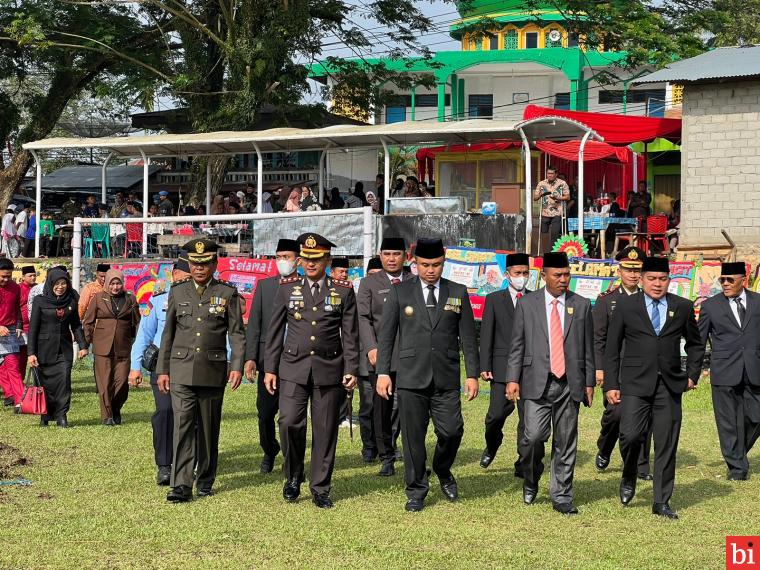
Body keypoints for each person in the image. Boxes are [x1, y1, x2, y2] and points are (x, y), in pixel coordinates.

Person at [376, 238, 479, 512]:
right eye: (424, 265)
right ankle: (416, 490)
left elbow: (468, 336)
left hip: (446, 377)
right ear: (415, 263)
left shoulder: (456, 291)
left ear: (443, 263)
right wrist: (383, 373)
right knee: (412, 438)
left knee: (452, 431)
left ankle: (443, 469)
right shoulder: (400, 292)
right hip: (411, 377)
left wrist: (472, 374)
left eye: (435, 265)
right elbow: (386, 337)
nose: (430, 270)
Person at [604, 256, 704, 520]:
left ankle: (661, 501)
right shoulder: (625, 305)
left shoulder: (681, 307)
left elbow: (695, 343)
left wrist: (692, 374)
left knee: (666, 443)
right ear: (642, 279)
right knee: (630, 435)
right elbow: (612, 348)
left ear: (668, 280)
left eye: (662, 279)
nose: (657, 284)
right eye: (651, 279)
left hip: (669, 385)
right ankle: (629, 474)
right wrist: (611, 384)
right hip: (635, 383)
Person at [264, 233, 359, 509]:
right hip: (293, 367)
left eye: (317, 258)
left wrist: (351, 367)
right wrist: (270, 368)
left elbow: (350, 335)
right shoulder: (287, 288)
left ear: (327, 260)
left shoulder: (342, 290)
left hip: (329, 367)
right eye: (306, 258)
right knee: (289, 422)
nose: (311, 263)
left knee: (326, 429)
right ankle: (293, 475)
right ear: (300, 260)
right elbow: (274, 332)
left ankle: (320, 487)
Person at [506, 252, 594, 516]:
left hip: (570, 383)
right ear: (543, 276)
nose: (563, 280)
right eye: (557, 275)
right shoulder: (528, 304)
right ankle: (531, 479)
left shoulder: (581, 304)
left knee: (566, 441)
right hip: (535, 381)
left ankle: (562, 495)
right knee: (533, 437)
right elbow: (517, 345)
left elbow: (588, 347)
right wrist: (512, 378)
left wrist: (589, 381)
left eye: (567, 274)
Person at [157, 238, 245, 502]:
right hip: (181, 369)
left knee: (208, 428)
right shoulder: (177, 291)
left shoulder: (227, 293)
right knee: (182, 424)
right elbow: (168, 334)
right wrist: (163, 369)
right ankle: (181, 484)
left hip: (212, 369)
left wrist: (237, 365)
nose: (199, 268)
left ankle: (205, 478)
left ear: (214, 264)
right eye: (195, 263)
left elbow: (237, 334)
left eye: (205, 263)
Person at [129, 255, 192, 485]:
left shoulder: (198, 300)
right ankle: (165, 465)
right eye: (184, 277)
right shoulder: (158, 301)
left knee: (187, 415)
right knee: (165, 413)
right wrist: (135, 367)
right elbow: (143, 336)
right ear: (174, 275)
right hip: (163, 366)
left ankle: (186, 462)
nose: (188, 281)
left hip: (190, 366)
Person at [593, 247, 653, 479]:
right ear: (619, 270)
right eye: (628, 269)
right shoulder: (607, 301)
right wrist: (599, 369)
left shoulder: (649, 299)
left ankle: (641, 466)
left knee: (644, 419)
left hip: (642, 369)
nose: (633, 275)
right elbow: (598, 338)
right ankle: (605, 447)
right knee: (616, 414)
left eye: (637, 270)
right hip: (615, 369)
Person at [698, 261, 760, 481]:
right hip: (724, 370)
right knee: (727, 422)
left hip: (755, 369)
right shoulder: (710, 306)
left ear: (743, 279)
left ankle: (737, 451)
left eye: (729, 280)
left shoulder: (758, 302)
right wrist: (692, 373)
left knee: (756, 417)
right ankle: (737, 467)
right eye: (722, 280)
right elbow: (699, 341)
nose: (725, 284)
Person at [243, 238, 300, 474]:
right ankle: (269, 450)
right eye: (278, 257)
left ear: (298, 260)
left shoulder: (306, 285)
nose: (282, 261)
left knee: (291, 416)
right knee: (265, 412)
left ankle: (292, 458)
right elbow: (255, 324)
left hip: (297, 361)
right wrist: (250, 358)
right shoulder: (266, 287)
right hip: (269, 361)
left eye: (286, 257)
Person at [357, 237, 409, 476]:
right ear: (380, 254)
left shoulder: (413, 281)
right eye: (387, 253)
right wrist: (371, 347)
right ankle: (385, 455)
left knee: (410, 409)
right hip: (381, 356)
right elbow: (363, 318)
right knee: (381, 409)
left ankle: (409, 453)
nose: (391, 258)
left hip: (410, 356)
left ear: (405, 256)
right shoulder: (369, 283)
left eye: (396, 254)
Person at [479, 253, 531, 475]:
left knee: (528, 420)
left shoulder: (535, 298)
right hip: (501, 368)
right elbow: (486, 334)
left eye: (525, 273)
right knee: (495, 416)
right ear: (507, 274)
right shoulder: (494, 300)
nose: (521, 277)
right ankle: (492, 445)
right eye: (517, 273)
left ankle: (523, 460)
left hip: (529, 368)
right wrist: (485, 365)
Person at [28, 267, 88, 427]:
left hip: (64, 349)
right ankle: (45, 415)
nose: (60, 287)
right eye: (57, 283)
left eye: (63, 283)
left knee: (64, 382)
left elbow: (76, 325)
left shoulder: (70, 301)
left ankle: (62, 416)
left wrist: (82, 345)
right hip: (43, 350)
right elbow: (33, 328)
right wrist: (31, 353)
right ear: (50, 283)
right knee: (44, 384)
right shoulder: (40, 301)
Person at [82, 268, 141, 425]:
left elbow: (137, 323)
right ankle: (107, 415)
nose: (115, 287)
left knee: (121, 383)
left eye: (118, 283)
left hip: (124, 346)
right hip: (102, 348)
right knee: (104, 382)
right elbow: (88, 322)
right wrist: (90, 340)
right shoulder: (98, 298)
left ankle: (115, 408)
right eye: (113, 283)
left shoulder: (130, 299)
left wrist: (135, 341)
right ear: (107, 283)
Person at [0, 259, 24, 411]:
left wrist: (20, 325)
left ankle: (20, 401)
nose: (6, 279)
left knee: (13, 366)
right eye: (2, 276)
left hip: (9, 330)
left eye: (9, 276)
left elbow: (18, 308)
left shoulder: (15, 287)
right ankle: (8, 392)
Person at [533, 166, 570, 251]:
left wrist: (558, 198)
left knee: (555, 233)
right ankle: (545, 252)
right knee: (544, 233)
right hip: (545, 212)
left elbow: (568, 197)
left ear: (556, 174)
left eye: (551, 173)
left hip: (557, 212)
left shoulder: (562, 183)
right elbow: (535, 198)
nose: (549, 175)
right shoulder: (541, 183)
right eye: (548, 173)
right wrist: (542, 194)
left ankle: (553, 253)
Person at [18, 265, 36, 378]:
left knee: (32, 355)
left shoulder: (37, 288)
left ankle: (36, 382)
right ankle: (19, 380)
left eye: (34, 275)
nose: (33, 278)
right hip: (21, 328)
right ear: (23, 277)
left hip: (34, 327)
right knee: (21, 356)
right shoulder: (18, 288)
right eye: (30, 276)